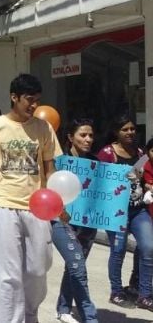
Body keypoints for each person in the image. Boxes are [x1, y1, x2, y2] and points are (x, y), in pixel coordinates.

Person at [0, 73, 60, 323]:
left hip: (38, 208)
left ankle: (30, 312)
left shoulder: (43, 128)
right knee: (6, 274)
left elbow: (50, 168)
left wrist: (56, 202)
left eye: (37, 100)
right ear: (14, 97)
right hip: (3, 205)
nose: (34, 105)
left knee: (38, 269)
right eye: (29, 100)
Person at [97, 115, 151, 310]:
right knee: (118, 251)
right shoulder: (106, 153)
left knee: (149, 247)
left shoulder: (140, 153)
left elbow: (144, 177)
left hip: (138, 211)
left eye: (132, 129)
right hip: (116, 212)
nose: (130, 132)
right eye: (125, 129)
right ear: (116, 132)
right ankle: (116, 292)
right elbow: (98, 181)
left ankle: (144, 294)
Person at [52, 119, 99, 323]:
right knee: (78, 267)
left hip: (88, 224)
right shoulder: (58, 162)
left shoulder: (97, 164)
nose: (88, 139)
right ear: (71, 137)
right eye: (83, 135)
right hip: (61, 222)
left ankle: (63, 309)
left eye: (90, 135)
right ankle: (90, 317)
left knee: (73, 265)